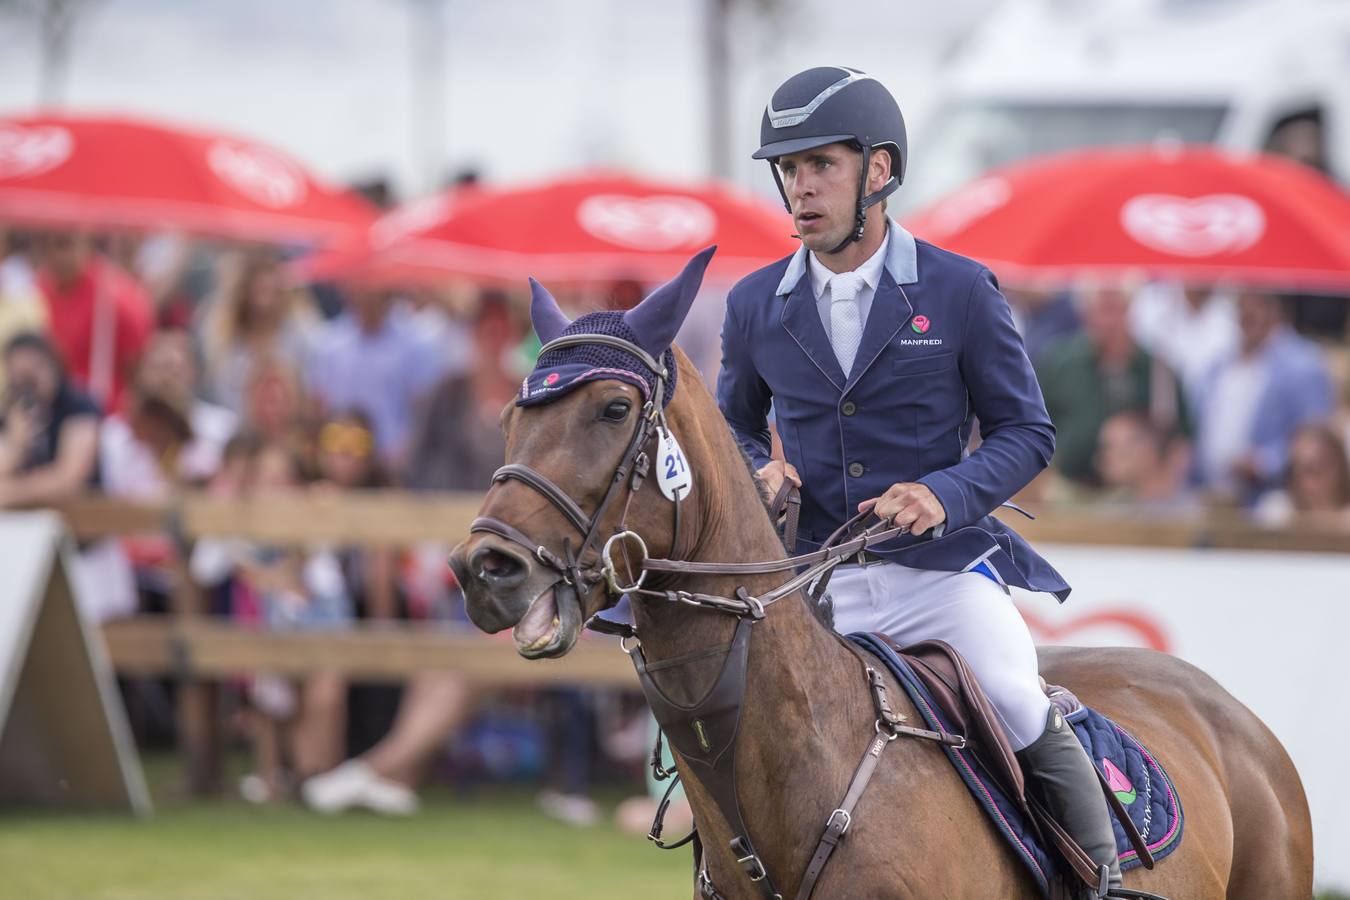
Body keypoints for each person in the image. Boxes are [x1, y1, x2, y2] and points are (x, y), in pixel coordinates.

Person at [717, 66, 1125, 895]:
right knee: (737, 725)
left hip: (937, 575)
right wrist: (762, 466)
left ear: (879, 170)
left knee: (1015, 697)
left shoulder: (959, 289)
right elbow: (732, 421)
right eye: (788, 170)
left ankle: (1103, 882)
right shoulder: (755, 304)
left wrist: (945, 491)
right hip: (813, 582)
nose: (799, 187)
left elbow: (1027, 432)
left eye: (820, 164)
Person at [1036, 281, 1190, 486]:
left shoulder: (1158, 369)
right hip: (1068, 491)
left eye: (1115, 309)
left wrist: (1163, 482)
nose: (1108, 321)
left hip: (1137, 500)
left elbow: (1181, 438)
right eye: (1100, 310)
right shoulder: (1061, 363)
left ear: (1130, 310)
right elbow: (1035, 427)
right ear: (1085, 314)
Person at [1191, 291, 1333, 505]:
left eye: (1258, 305)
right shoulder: (1219, 364)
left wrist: (1264, 463)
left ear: (1276, 310)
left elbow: (1318, 439)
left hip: (1273, 498)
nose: (1250, 313)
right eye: (1244, 306)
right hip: (1211, 494)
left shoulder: (1304, 365)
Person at [31, 230, 154, 412]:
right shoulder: (33, 294)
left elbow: (137, 365)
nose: (56, 255)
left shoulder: (119, 298)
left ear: (87, 242)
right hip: (49, 412)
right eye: (46, 246)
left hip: (105, 413)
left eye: (63, 244)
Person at [1252, 422, 1350, 527]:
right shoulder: (1277, 511)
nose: (1307, 482)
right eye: (1297, 469)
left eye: (1317, 468)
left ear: (1339, 467)